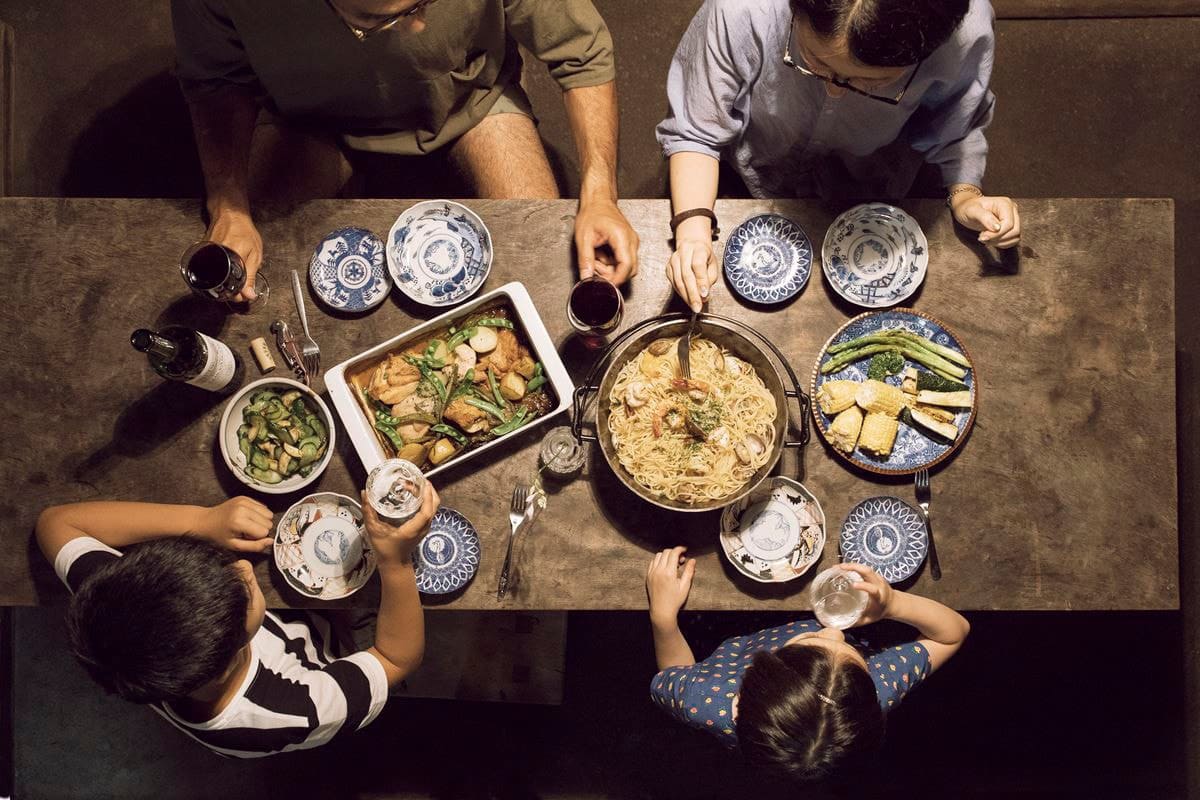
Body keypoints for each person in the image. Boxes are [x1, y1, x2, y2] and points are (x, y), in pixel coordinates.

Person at [171, 0, 639, 300]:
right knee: (254, 284)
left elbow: (583, 52)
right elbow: (215, 80)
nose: (417, 27)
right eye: (383, 20)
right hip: (310, 118)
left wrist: (600, 194)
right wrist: (227, 203)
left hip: (468, 99)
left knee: (543, 264)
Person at [657, 0, 1021, 312]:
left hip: (873, 174)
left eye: (870, 83)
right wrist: (691, 232)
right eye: (813, 62)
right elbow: (697, 127)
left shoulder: (966, 32)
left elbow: (955, 122)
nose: (834, 91)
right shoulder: (743, 8)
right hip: (756, 156)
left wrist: (965, 195)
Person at [35, 484, 439, 758]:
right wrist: (395, 561)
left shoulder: (114, 608)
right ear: (230, 652)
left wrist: (202, 521)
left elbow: (54, 523)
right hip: (332, 649)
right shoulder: (298, 710)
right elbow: (397, 658)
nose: (245, 568)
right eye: (241, 592)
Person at [645, 547, 969, 780]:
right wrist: (894, 605)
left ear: (741, 698)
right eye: (855, 655)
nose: (834, 631)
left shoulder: (701, 700)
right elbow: (952, 634)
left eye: (814, 641)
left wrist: (662, 617)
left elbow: (674, 674)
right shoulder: (868, 695)